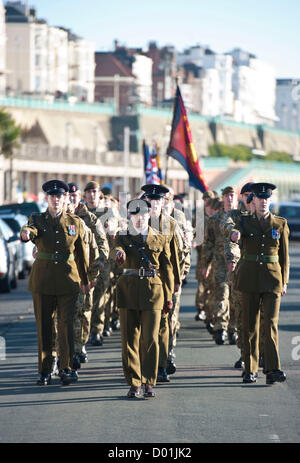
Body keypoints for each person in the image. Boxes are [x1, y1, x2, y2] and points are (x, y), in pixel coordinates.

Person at [20, 179, 89, 386]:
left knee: (66, 325)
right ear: (47, 198)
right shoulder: (37, 219)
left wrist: (85, 280)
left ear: (66, 198)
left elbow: (80, 254)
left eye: (60, 196)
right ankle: (44, 370)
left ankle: (66, 368)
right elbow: (30, 230)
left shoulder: (74, 222)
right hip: (43, 281)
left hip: (68, 281)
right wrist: (26, 234)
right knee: (45, 326)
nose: (56, 200)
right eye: (52, 196)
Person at [110, 198, 174, 398]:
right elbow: (116, 249)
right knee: (129, 339)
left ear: (149, 215)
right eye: (135, 215)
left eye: (143, 215)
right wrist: (118, 254)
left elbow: (167, 268)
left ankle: (149, 381)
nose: (139, 219)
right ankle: (134, 382)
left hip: (153, 292)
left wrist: (169, 295)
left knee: (150, 340)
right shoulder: (123, 236)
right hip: (128, 290)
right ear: (130, 216)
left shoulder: (160, 238)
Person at [230, 182, 289, 384]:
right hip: (249, 278)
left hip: (273, 280)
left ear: (270, 201)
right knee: (250, 326)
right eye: (259, 199)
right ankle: (250, 369)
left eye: (266, 199)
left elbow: (284, 257)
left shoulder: (280, 224)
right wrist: (234, 235)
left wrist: (285, 282)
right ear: (252, 201)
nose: (263, 202)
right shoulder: (244, 222)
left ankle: (273, 368)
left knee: (270, 324)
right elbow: (232, 231)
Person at [141, 183, 181, 383]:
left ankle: (162, 365)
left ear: (164, 202)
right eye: (151, 200)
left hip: (163, 280)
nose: (155, 203)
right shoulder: (138, 221)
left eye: (158, 200)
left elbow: (174, 256)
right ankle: (144, 365)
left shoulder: (170, 224)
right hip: (142, 280)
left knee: (164, 323)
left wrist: (176, 281)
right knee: (145, 325)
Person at [202, 186, 237, 345]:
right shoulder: (214, 220)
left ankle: (233, 329)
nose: (229, 198)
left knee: (235, 297)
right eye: (227, 196)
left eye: (232, 195)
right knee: (222, 293)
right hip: (220, 262)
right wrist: (205, 264)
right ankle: (220, 327)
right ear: (222, 198)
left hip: (238, 264)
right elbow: (208, 243)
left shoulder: (243, 218)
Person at [83, 181, 109, 346]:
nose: (92, 194)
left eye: (94, 192)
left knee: (100, 296)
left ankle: (97, 330)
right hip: (84, 262)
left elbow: (116, 227)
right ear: (84, 195)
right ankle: (83, 332)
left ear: (99, 194)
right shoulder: (80, 213)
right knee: (85, 298)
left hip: (102, 262)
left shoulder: (107, 212)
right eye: (89, 192)